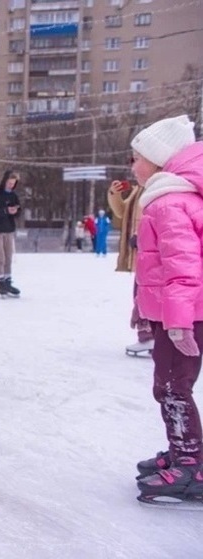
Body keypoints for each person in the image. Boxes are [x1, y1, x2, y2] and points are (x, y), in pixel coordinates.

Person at [130, 114, 203, 503]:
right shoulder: (169, 199)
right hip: (179, 314)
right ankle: (184, 453)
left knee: (174, 388)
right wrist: (145, 308)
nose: (132, 166)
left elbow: (184, 269)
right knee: (171, 386)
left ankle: (190, 465)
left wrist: (178, 324)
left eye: (136, 157)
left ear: (158, 161)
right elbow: (156, 271)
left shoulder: (170, 203)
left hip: (186, 316)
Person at [107, 178, 154, 356]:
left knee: (146, 292)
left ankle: (150, 336)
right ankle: (148, 336)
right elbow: (122, 213)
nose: (133, 168)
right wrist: (115, 194)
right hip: (141, 250)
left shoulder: (155, 187)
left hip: (150, 250)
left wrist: (142, 236)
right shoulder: (139, 189)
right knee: (140, 292)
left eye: (137, 161)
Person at [0, 170, 21, 297]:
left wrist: (15, 211)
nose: (11, 185)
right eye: (10, 182)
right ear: (5, 181)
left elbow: (19, 210)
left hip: (9, 229)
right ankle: (1, 282)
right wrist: (6, 211)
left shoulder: (14, 196)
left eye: (13, 183)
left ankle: (8, 282)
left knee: (8, 258)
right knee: (0, 257)